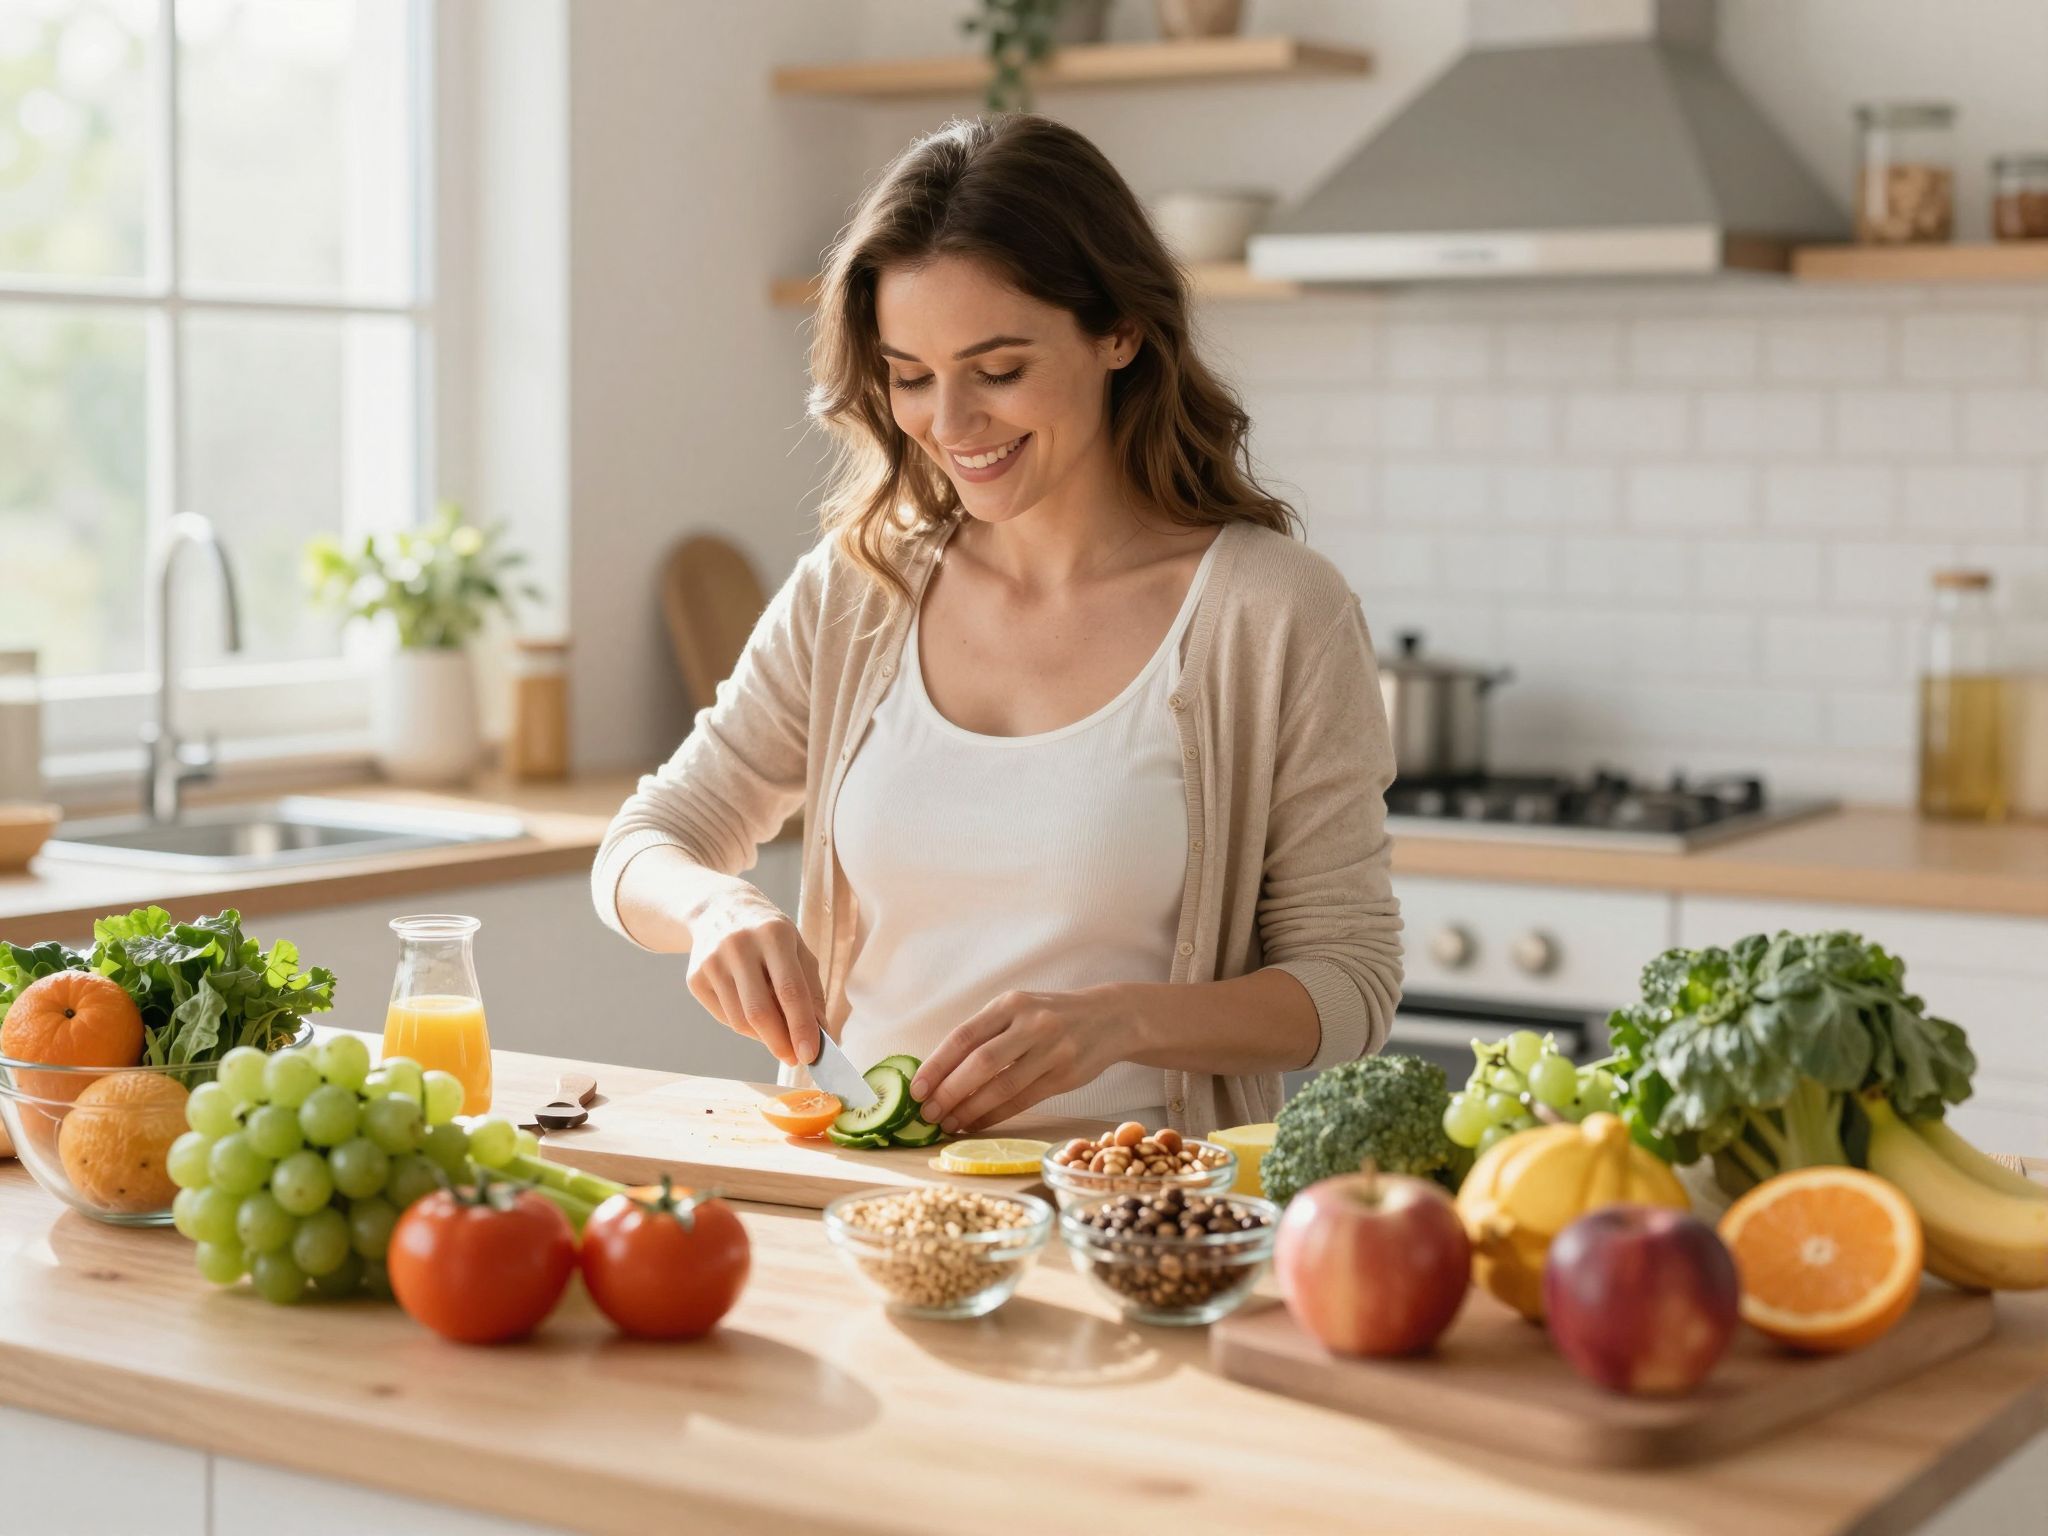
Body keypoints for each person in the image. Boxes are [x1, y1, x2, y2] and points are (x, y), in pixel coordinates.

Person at [591, 115, 1401, 1137]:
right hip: (870, 1197)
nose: (950, 424)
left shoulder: (1273, 613)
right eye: (910, 375)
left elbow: (1350, 982)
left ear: (1119, 331)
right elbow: (644, 843)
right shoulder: (858, 591)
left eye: (999, 370)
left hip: (1132, 1207)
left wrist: (1123, 1023)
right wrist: (715, 908)